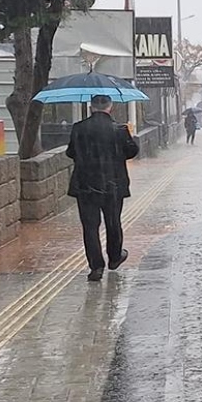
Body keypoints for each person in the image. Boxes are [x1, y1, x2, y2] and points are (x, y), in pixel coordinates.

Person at [67, 95, 140, 281]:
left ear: (91, 107)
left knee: (90, 226)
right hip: (113, 184)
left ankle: (96, 267)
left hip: (85, 185)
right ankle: (115, 257)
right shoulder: (119, 129)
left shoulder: (79, 128)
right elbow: (132, 151)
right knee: (113, 221)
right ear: (110, 106)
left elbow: (70, 152)